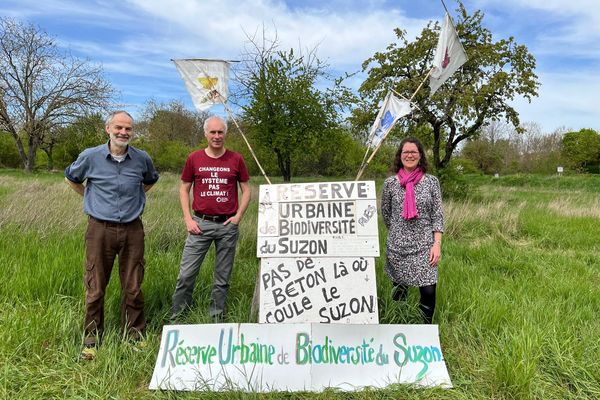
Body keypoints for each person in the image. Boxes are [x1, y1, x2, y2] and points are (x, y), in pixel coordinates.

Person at [65, 110, 159, 359]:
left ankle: (134, 336)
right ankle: (91, 339)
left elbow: (150, 181)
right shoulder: (91, 156)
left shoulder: (142, 159)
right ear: (108, 129)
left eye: (128, 129)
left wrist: (135, 198)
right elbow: (72, 178)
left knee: (133, 286)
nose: (123, 132)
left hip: (132, 229)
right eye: (118, 127)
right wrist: (89, 198)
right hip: (99, 229)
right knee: (95, 287)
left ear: (132, 132)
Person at [171, 116, 251, 321]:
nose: (216, 136)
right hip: (200, 223)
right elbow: (184, 189)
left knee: (222, 277)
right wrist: (188, 219)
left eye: (220, 132)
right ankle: (178, 315)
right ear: (205, 134)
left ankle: (216, 316)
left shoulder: (236, 159)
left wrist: (238, 216)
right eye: (212, 132)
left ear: (225, 134)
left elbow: (247, 189)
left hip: (227, 225)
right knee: (186, 274)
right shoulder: (194, 158)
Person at [381, 137, 444, 324]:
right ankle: (401, 327)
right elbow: (386, 213)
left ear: (420, 155)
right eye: (405, 152)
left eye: (413, 152)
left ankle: (425, 332)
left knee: (428, 290)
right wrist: (398, 233)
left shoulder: (431, 182)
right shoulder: (390, 184)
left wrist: (437, 243)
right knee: (399, 291)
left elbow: (437, 215)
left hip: (425, 246)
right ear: (400, 156)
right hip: (397, 247)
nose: (409, 155)